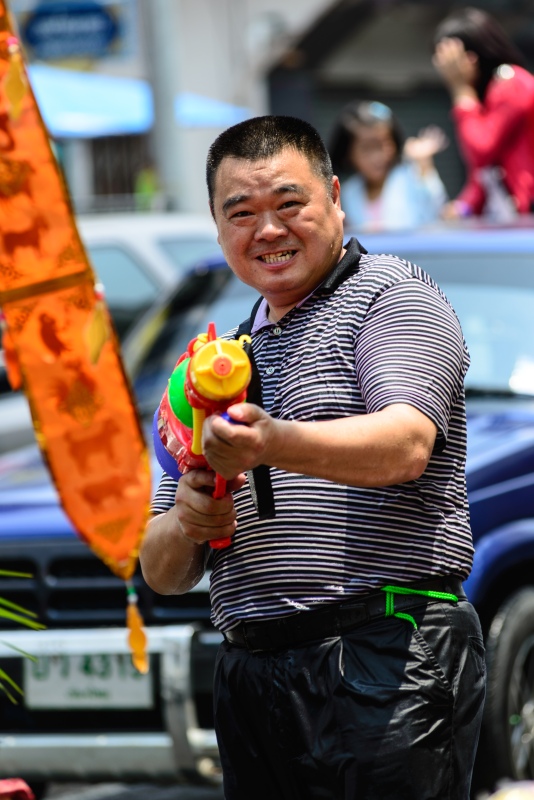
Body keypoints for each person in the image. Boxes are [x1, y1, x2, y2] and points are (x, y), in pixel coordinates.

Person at [140, 115, 486, 800]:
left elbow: (406, 444)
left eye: (289, 204)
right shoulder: (215, 363)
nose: (267, 231)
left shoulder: (390, 294)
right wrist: (189, 521)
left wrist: (273, 441)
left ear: (334, 195)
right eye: (241, 213)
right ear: (217, 227)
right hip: (252, 674)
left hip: (386, 653)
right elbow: (160, 570)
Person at [433, 6, 534, 218]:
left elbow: (481, 149)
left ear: (471, 58)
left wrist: (461, 90)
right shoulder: (488, 95)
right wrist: (462, 208)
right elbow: (485, 175)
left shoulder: (512, 82)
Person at [328, 99, 448, 229]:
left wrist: (425, 165)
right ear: (348, 154)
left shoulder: (412, 176)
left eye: (383, 145)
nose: (377, 157)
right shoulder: (348, 193)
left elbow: (436, 210)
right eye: (367, 148)